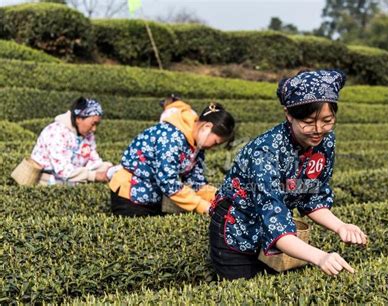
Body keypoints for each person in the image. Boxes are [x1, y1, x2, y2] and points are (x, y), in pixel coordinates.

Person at [209, 70, 368, 280]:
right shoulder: (265, 152)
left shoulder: (325, 141)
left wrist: (341, 227)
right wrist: (320, 257)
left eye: (327, 120)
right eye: (308, 122)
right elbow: (272, 215)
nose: (318, 129)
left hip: (273, 232)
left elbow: (313, 196)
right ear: (289, 114)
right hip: (237, 230)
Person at [108, 99, 236, 217]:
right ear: (207, 127)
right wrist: (204, 207)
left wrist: (221, 198)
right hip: (130, 195)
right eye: (216, 142)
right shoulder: (171, 137)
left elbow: (196, 182)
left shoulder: (196, 146)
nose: (214, 147)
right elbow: (168, 182)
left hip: (151, 198)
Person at [30, 97, 112, 185]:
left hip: (75, 176)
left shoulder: (88, 135)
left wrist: (109, 170)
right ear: (79, 119)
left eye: (97, 124)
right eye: (93, 124)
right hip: (50, 180)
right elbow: (63, 171)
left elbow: (94, 161)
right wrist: (93, 175)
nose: (94, 129)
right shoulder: (56, 132)